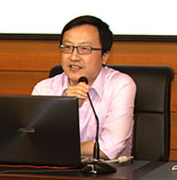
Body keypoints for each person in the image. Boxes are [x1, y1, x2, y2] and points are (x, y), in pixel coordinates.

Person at [32, 15, 136, 160]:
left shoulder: (120, 85)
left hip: (108, 171)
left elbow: (110, 147)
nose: (74, 57)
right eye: (67, 48)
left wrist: (58, 149)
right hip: (56, 170)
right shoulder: (44, 89)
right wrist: (64, 109)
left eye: (84, 49)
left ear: (104, 56)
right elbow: (34, 142)